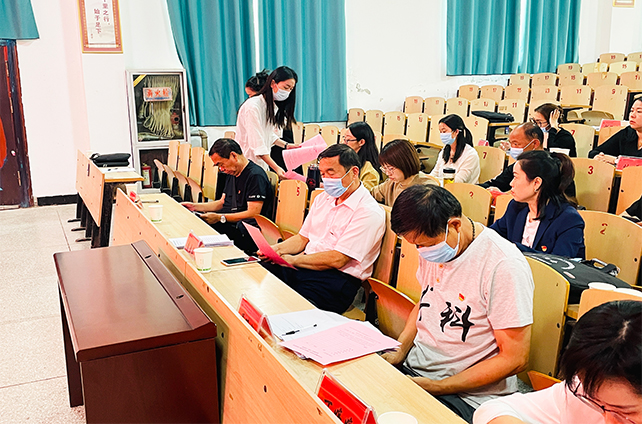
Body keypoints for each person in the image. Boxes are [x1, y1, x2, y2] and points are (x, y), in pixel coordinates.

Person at [383, 184, 534, 423]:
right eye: (416, 246)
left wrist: (439, 386)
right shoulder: (435, 246)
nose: (421, 252)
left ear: (454, 225)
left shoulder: (503, 265)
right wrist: (399, 349)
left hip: (466, 394)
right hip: (418, 371)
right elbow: (426, 302)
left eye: (425, 244)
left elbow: (515, 358)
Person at [259, 144, 385, 313]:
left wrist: (292, 260)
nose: (326, 180)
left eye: (331, 173)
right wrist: (275, 251)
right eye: (323, 174)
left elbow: (338, 259)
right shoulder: (322, 198)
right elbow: (302, 238)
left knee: (291, 306)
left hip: (336, 279)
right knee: (260, 274)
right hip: (305, 264)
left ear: (354, 172)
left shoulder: (368, 212)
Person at [474, 300, 642, 424]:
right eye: (597, 405)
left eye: (626, 413)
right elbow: (493, 409)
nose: (608, 420)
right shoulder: (585, 390)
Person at [182, 138, 272, 254]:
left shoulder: (255, 176)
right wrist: (194, 207)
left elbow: (253, 213)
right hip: (230, 223)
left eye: (221, 164)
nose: (221, 169)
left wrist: (220, 218)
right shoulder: (231, 173)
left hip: (245, 230)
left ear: (233, 156)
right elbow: (222, 202)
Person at [491, 150, 585, 258]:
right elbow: (492, 236)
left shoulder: (569, 219)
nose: (511, 183)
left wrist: (515, 249)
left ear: (536, 183)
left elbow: (559, 262)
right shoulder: (516, 207)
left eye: (516, 177)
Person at [236, 66, 299, 179]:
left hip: (260, 165)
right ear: (273, 83)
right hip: (248, 165)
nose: (287, 92)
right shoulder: (253, 107)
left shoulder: (270, 106)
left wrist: (286, 145)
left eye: (290, 89)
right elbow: (258, 144)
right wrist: (276, 168)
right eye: (286, 87)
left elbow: (268, 135)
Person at [370, 139, 437, 206]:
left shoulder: (426, 188)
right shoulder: (391, 183)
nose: (387, 173)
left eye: (391, 169)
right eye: (384, 169)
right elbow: (370, 194)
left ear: (405, 164)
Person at [480, 123, 543, 192]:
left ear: (535, 144)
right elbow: (497, 183)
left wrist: (506, 195)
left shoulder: (548, 168)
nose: (512, 148)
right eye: (511, 143)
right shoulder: (518, 165)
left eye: (516, 144)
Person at [430, 114, 481, 184]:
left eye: (444, 131)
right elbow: (434, 174)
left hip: (462, 189)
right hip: (442, 188)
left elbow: (458, 182)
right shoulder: (444, 150)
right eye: (440, 132)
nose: (442, 135)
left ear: (456, 132)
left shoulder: (471, 154)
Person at [589, 97, 642, 163]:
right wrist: (599, 157)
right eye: (631, 111)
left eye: (639, 111)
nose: (632, 115)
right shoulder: (627, 133)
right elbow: (594, 152)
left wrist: (616, 160)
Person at [340, 121, 381, 190]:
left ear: (361, 142)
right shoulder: (348, 160)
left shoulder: (369, 169)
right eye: (344, 139)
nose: (344, 143)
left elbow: (366, 193)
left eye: (348, 140)